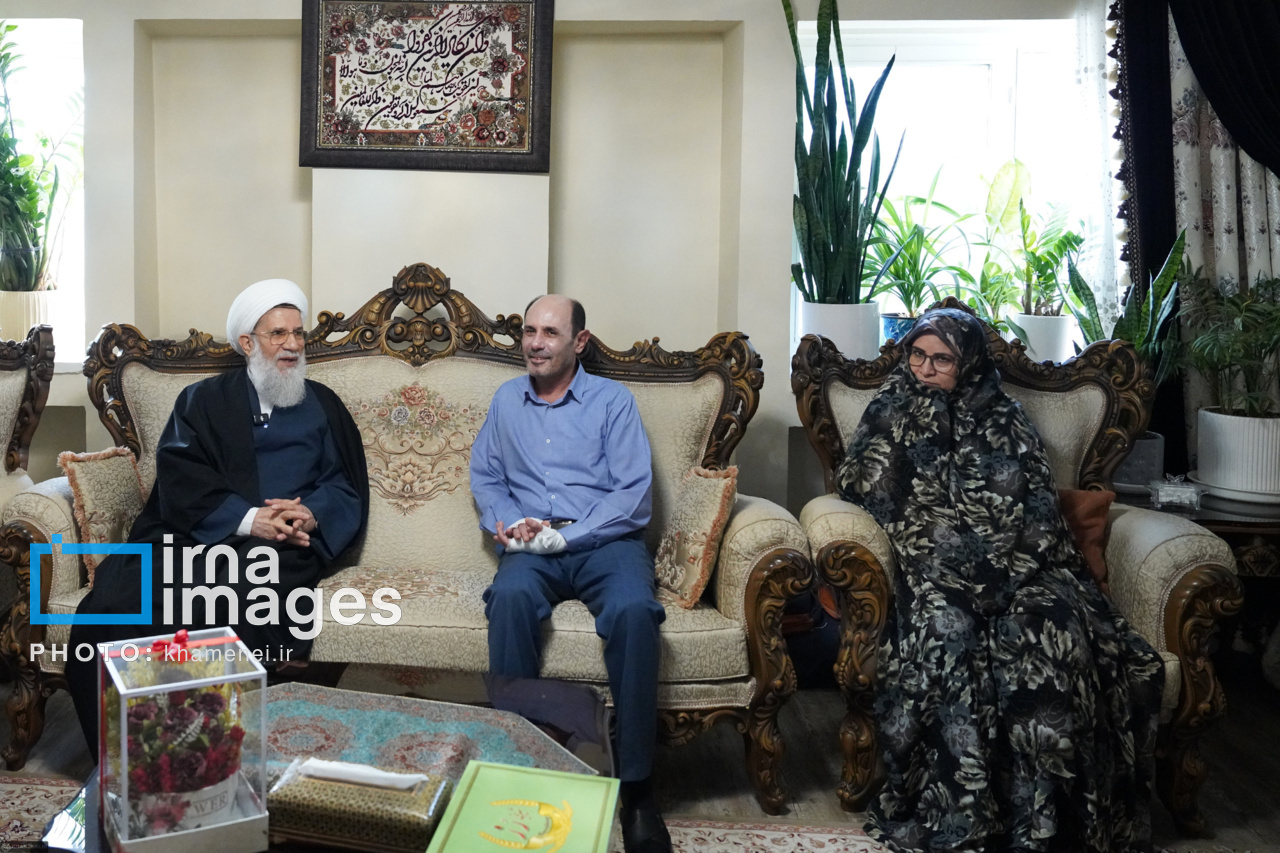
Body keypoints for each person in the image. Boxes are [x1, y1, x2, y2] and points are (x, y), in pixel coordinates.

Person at [836, 307, 1164, 853]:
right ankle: (965, 818)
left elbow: (1037, 508)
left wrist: (1001, 574)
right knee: (949, 636)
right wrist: (953, 560)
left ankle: (1047, 825)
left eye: (942, 359)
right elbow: (864, 485)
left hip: (1024, 566)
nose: (926, 368)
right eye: (918, 354)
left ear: (967, 363)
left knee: (1052, 636)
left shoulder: (1006, 417)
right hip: (933, 569)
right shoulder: (889, 409)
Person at [66, 278, 369, 753]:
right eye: (277, 334)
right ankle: (128, 757)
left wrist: (310, 514)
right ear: (247, 342)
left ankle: (205, 750)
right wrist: (247, 518)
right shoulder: (202, 401)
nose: (292, 344)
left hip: (280, 544)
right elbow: (181, 477)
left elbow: (343, 482)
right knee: (114, 603)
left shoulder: (323, 405)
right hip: (201, 531)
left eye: (298, 333)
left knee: (240, 596)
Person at [470, 294, 671, 853]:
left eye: (550, 333)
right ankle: (519, 770)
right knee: (508, 598)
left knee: (634, 611)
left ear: (579, 341)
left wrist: (569, 535)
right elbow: (486, 477)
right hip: (531, 546)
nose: (535, 344)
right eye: (529, 331)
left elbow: (632, 495)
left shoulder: (613, 401)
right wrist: (510, 525)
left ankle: (636, 790)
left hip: (605, 543)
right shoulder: (506, 400)